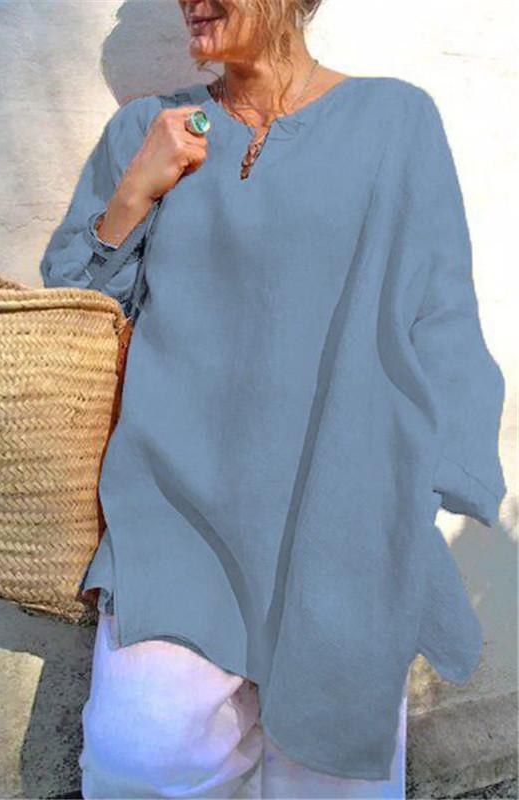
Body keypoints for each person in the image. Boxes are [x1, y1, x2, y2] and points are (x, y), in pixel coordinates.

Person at [39, 1, 506, 797]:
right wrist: (136, 191)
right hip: (176, 510)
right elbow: (73, 313)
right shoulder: (148, 130)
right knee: (140, 759)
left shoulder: (394, 121)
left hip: (339, 513)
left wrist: (440, 475)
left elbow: (442, 307)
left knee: (330, 773)